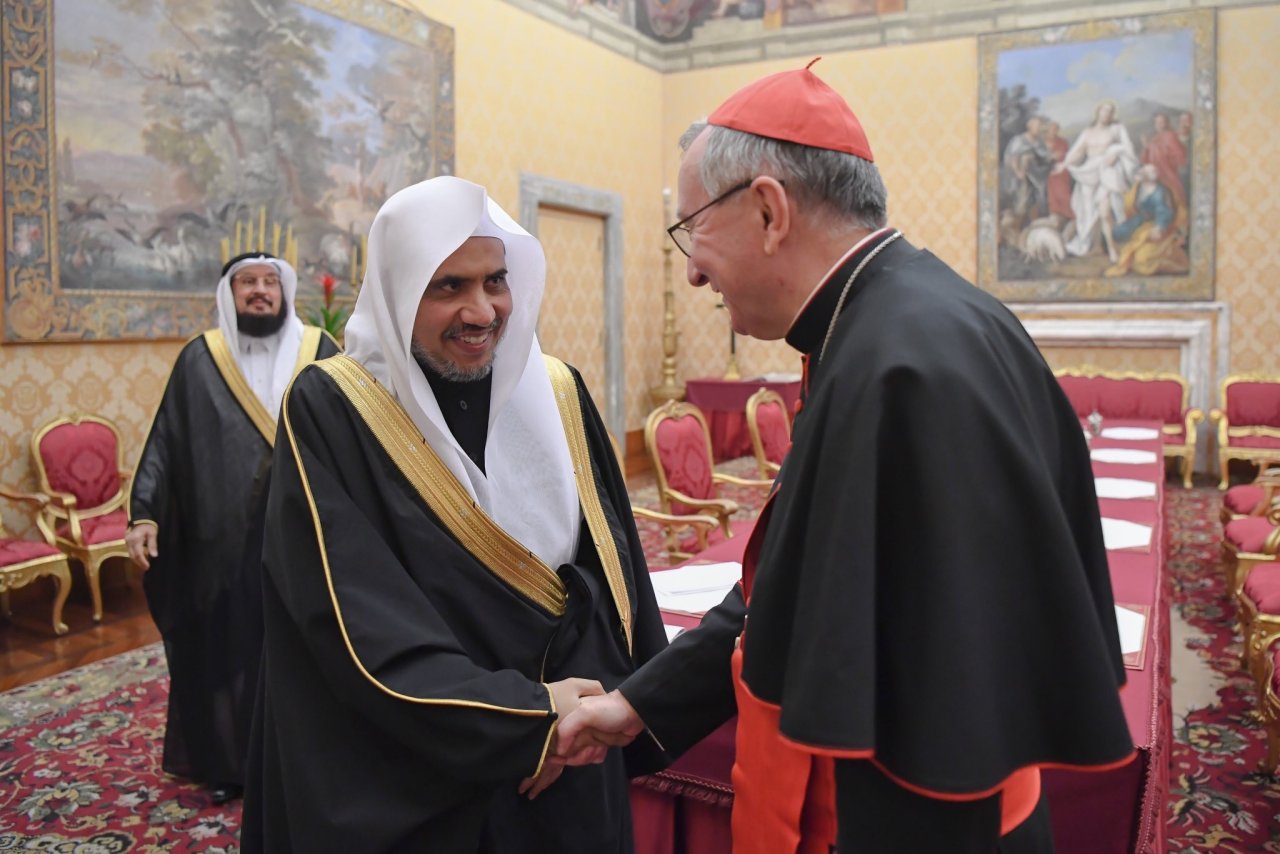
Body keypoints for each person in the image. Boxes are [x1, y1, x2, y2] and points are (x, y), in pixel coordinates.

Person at [557, 61, 1136, 852]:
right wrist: (639, 704)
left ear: (768, 210)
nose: (691, 268)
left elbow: (946, 708)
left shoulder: (899, 366)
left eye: (693, 228)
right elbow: (789, 593)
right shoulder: (898, 323)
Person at [240, 176, 669, 851]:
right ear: (398, 290)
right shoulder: (333, 409)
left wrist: (597, 711)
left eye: (496, 281)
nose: (482, 311)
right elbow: (358, 624)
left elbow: (612, 573)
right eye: (449, 287)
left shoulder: (556, 390)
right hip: (419, 766)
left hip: (570, 744)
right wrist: (526, 721)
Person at [126, 252, 340, 804]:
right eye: (248, 283)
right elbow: (166, 442)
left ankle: (308, 759)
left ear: (285, 291)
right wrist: (144, 513)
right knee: (228, 650)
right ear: (230, 293)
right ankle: (229, 764)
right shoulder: (200, 359)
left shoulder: (321, 350)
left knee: (307, 645)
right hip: (218, 541)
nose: (261, 292)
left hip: (306, 534)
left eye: (271, 282)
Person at [1053, 100, 1139, 262]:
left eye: (1110, 112)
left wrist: (1116, 153)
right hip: (1089, 174)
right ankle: (1097, 247)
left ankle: (1113, 249)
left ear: (1113, 115)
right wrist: (1064, 164)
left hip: (1106, 173)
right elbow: (1077, 152)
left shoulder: (1117, 130)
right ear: (1098, 113)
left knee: (1105, 213)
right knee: (1090, 213)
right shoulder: (1087, 132)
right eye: (1104, 111)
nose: (1106, 114)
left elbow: (1128, 149)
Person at [1105, 162, 1190, 278]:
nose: (1153, 173)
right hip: (1140, 222)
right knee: (1117, 233)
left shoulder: (1160, 191)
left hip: (1155, 226)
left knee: (1142, 258)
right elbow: (1130, 203)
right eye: (1148, 171)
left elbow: (1164, 211)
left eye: (1154, 171)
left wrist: (1160, 226)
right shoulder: (1138, 188)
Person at [1000, 114, 1051, 227]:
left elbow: (1044, 157)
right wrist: (1018, 171)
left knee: (1036, 203)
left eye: (1040, 126)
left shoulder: (1039, 141)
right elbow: (1013, 157)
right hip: (1022, 178)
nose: (1039, 128)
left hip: (1037, 178)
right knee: (1022, 203)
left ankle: (1033, 225)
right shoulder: (1019, 140)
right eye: (1037, 126)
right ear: (1030, 126)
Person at [1140, 112, 1188, 210]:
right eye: (1157, 122)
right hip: (1155, 176)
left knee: (1172, 199)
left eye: (1162, 122)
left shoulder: (1171, 136)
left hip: (1168, 174)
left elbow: (1181, 157)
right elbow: (1145, 160)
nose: (1159, 124)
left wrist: (1161, 152)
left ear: (1167, 123)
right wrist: (1146, 147)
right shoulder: (1154, 139)